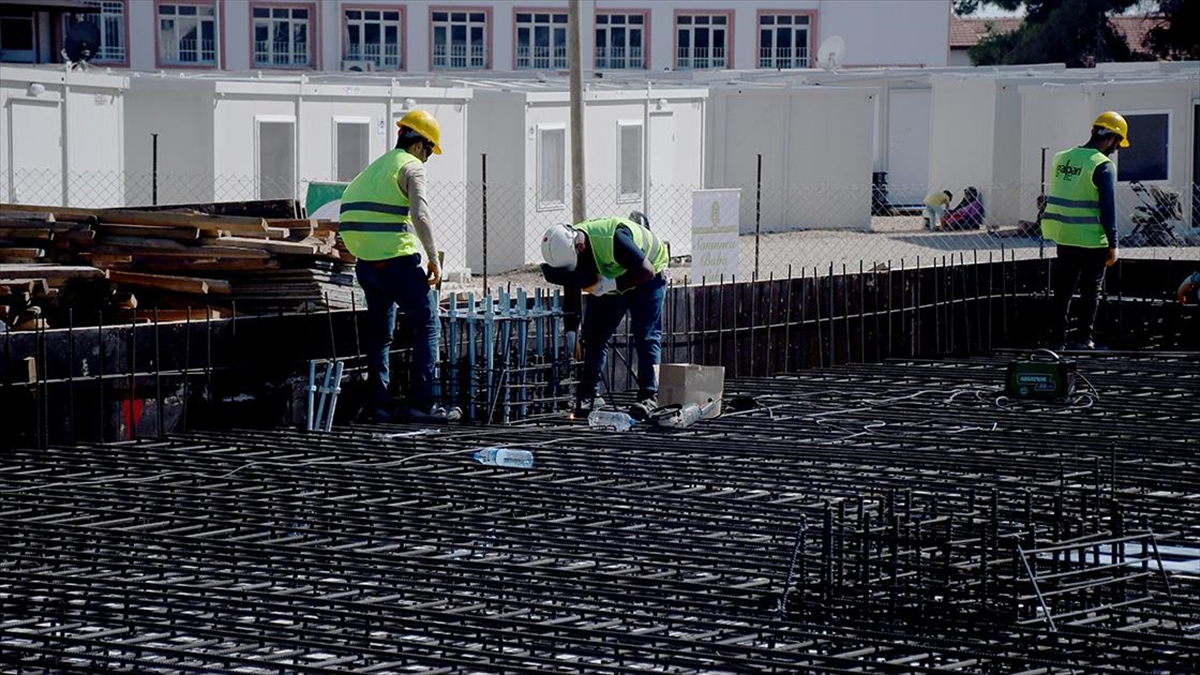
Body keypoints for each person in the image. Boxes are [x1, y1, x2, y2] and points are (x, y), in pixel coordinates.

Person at [338, 110, 460, 422]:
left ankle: (380, 404)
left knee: (380, 334)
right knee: (428, 324)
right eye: (430, 149)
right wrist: (433, 259)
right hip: (398, 263)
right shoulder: (412, 167)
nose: (429, 156)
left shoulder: (373, 169)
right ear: (420, 144)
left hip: (366, 265)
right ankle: (422, 404)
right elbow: (420, 215)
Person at [540, 213, 669, 419]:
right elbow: (574, 285)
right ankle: (590, 395)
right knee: (595, 336)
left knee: (645, 335)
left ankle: (650, 395)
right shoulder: (569, 248)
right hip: (613, 276)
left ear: (580, 248)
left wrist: (610, 285)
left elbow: (647, 271)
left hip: (648, 276)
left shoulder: (614, 239)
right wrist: (573, 329)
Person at [1040, 111, 1127, 351]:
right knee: (1091, 292)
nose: (1116, 149)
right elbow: (1108, 209)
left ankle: (1057, 341)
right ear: (1111, 138)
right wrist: (1114, 244)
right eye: (1118, 143)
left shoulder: (1061, 158)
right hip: (1092, 242)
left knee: (1063, 291)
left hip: (1065, 237)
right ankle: (1084, 340)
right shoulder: (1103, 166)